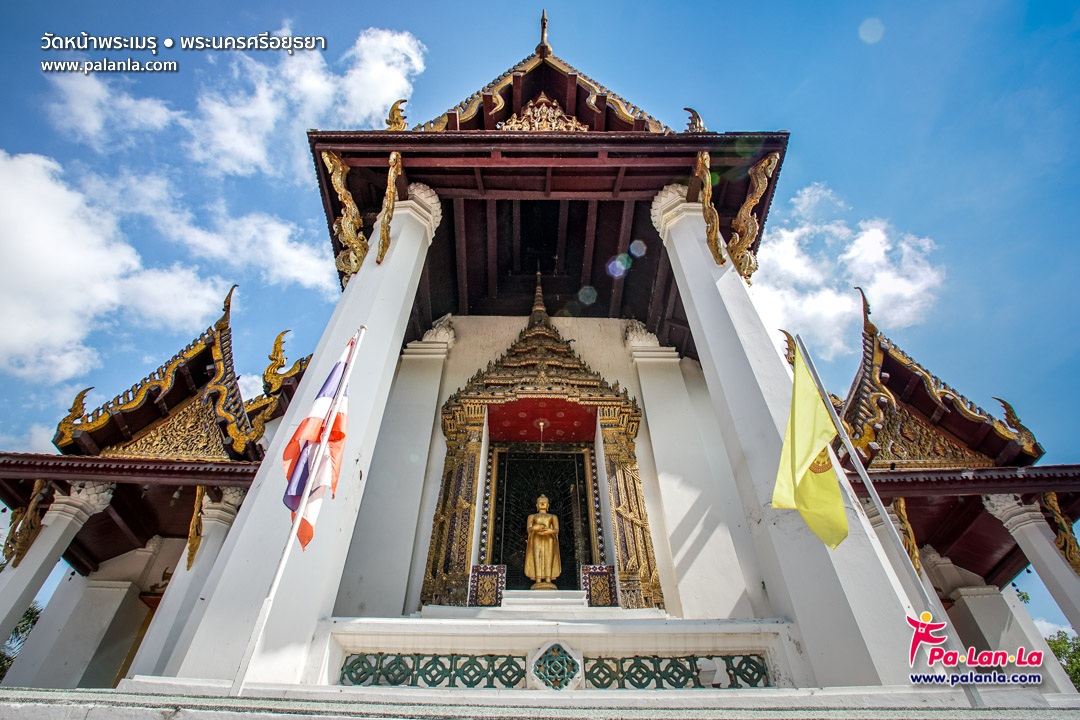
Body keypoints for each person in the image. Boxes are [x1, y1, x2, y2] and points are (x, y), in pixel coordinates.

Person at [525, 494, 561, 589]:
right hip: (536, 538)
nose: (542, 504)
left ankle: (548, 579)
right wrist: (535, 528)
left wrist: (550, 531)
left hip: (549, 539)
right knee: (537, 557)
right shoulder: (532, 516)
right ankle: (538, 580)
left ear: (548, 505)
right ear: (536, 505)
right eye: (540, 503)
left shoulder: (552, 516)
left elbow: (556, 530)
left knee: (549, 558)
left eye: (544, 503)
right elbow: (529, 529)